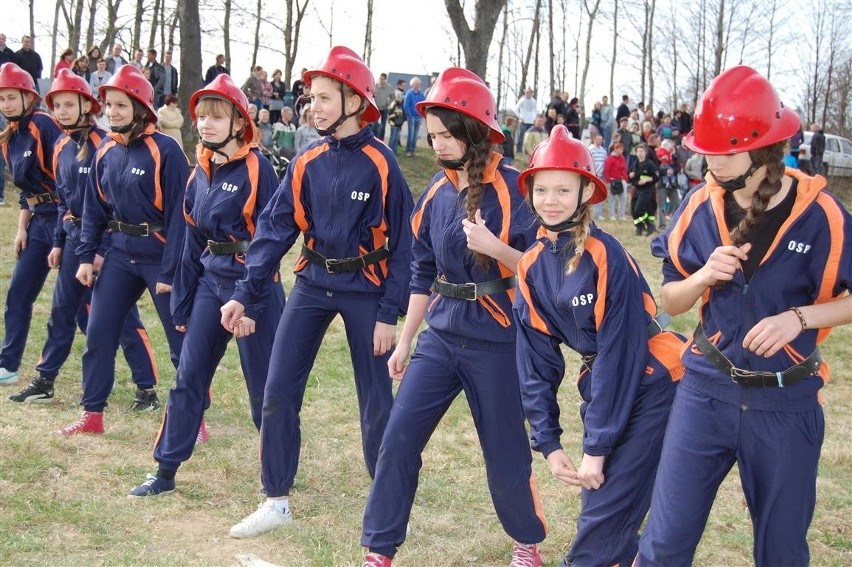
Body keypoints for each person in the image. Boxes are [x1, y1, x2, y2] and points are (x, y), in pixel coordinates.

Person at [636, 65, 852, 566]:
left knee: (781, 554)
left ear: (763, 149)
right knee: (662, 547)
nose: (711, 160)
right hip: (703, 393)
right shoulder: (697, 207)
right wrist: (701, 277)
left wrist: (799, 318)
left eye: (725, 151)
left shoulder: (823, 215)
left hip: (787, 403)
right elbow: (671, 301)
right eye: (706, 148)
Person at [222, 45, 414, 539]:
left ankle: (387, 496)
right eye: (312, 97)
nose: (315, 106)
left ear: (355, 101)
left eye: (326, 97)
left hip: (366, 290)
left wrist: (389, 313)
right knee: (277, 390)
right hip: (312, 283)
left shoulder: (382, 163)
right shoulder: (305, 161)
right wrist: (246, 292)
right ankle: (275, 499)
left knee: (376, 400)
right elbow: (273, 232)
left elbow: (407, 246)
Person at [361, 66, 546, 567]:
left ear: (474, 133)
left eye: (447, 135)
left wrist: (497, 248)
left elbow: (544, 270)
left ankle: (526, 543)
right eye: (434, 134)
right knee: (398, 438)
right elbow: (422, 271)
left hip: (499, 340)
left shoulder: (516, 192)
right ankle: (379, 549)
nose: (437, 144)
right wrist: (405, 341)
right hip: (440, 340)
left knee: (505, 451)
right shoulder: (437, 194)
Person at [513, 124, 684, 567]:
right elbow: (534, 363)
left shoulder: (605, 254)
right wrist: (549, 444)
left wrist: (596, 447)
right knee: (604, 515)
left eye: (564, 190)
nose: (551, 200)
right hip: (605, 385)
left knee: (600, 526)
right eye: (542, 189)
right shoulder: (530, 266)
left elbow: (621, 354)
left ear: (587, 191)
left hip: (655, 380)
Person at [129, 74, 285, 497]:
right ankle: (164, 471)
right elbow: (190, 239)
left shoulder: (260, 169)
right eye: (200, 116)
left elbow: (270, 242)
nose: (205, 124)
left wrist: (249, 303)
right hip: (211, 285)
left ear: (239, 121)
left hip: (253, 290)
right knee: (188, 378)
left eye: (216, 116)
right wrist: (182, 301)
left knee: (265, 392)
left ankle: (277, 477)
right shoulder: (199, 172)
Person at [7, 69, 158, 404]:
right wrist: (59, 243)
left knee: (121, 318)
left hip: (106, 244)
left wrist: (102, 249)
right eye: (56, 105)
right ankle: (45, 379)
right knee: (63, 310)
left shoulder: (104, 144)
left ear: (87, 106)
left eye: (67, 104)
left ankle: (146, 388)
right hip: (76, 239)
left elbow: (109, 205)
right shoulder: (60, 144)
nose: (61, 111)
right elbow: (63, 200)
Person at [57, 65, 190, 435]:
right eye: (109, 105)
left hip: (159, 254)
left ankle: (195, 417)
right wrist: (86, 257)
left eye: (120, 105)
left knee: (181, 339)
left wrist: (170, 271)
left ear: (141, 107)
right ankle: (92, 414)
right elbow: (94, 210)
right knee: (99, 331)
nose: (112, 112)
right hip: (118, 253)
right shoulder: (105, 151)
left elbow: (182, 215)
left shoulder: (167, 150)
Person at [0, 63, 63, 386]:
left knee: (81, 306)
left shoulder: (43, 125)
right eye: (2, 98)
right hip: (38, 221)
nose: (7, 104)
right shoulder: (9, 137)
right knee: (18, 293)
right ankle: (8, 364)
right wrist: (21, 228)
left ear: (28, 97)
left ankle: (141, 379)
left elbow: (64, 175)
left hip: (63, 218)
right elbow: (27, 190)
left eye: (12, 97)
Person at [629, 144, 659, 236]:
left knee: (639, 209)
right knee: (633, 210)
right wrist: (630, 176)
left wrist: (647, 180)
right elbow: (631, 178)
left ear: (645, 153)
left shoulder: (650, 164)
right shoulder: (635, 164)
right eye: (638, 152)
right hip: (637, 189)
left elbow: (656, 176)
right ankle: (639, 228)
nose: (640, 154)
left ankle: (649, 225)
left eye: (641, 151)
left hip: (647, 190)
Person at [603, 141, 628, 221]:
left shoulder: (622, 158)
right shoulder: (610, 159)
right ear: (615, 149)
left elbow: (624, 169)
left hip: (622, 180)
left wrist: (625, 178)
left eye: (622, 149)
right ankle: (612, 215)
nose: (621, 150)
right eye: (619, 148)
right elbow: (606, 170)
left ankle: (622, 215)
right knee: (612, 199)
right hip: (613, 180)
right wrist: (608, 181)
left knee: (623, 198)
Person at [402, 76, 424, 156]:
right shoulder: (409, 93)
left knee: (415, 135)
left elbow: (422, 105)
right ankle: (408, 150)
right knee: (411, 134)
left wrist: (421, 115)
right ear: (412, 85)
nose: (417, 85)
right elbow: (406, 106)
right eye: (415, 84)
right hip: (411, 117)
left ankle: (413, 150)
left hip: (418, 117)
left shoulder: (421, 94)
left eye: (418, 84)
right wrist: (410, 116)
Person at [514, 87, 538, 155]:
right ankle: (519, 151)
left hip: (531, 122)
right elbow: (516, 109)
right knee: (521, 137)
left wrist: (535, 119)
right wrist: (520, 117)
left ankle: (528, 151)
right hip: (523, 122)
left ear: (532, 93)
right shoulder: (522, 100)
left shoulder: (534, 101)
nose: (528, 94)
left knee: (529, 138)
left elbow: (535, 111)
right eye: (526, 92)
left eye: (529, 92)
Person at [372, 72, 394, 140]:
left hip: (384, 108)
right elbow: (371, 95)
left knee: (383, 126)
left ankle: (381, 140)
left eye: (383, 79)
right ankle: (374, 139)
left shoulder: (389, 87)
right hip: (376, 108)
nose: (381, 80)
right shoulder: (375, 86)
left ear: (385, 79)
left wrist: (388, 103)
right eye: (380, 79)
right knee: (374, 125)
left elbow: (392, 97)